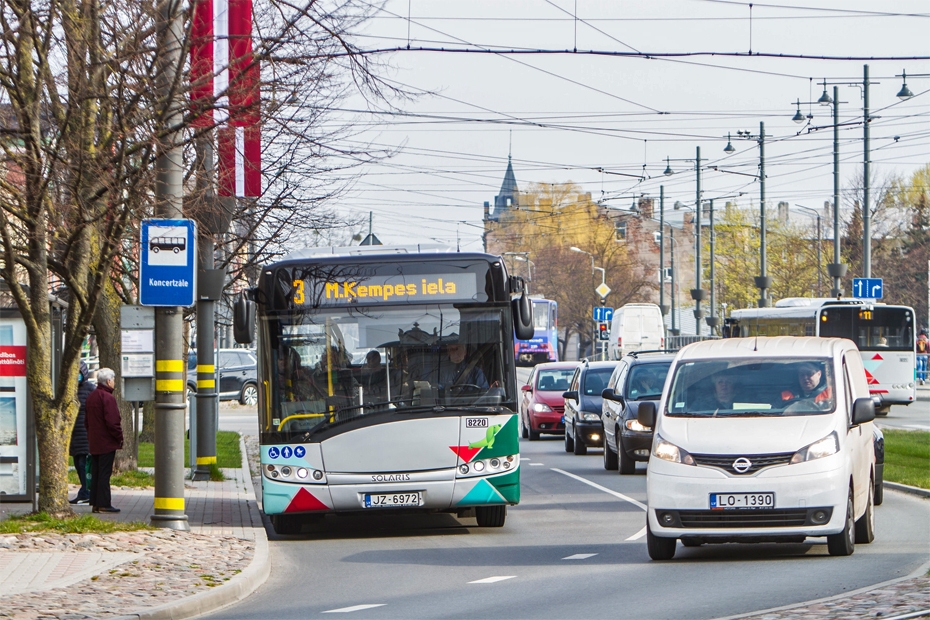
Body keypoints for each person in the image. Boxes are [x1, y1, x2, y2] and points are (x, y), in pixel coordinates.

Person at [84, 367, 123, 514]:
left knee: (97, 472)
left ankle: (94, 502)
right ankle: (104, 503)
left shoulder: (92, 396)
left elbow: (86, 421)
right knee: (105, 474)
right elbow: (113, 422)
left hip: (94, 441)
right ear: (108, 381)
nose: (114, 382)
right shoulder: (108, 398)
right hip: (106, 442)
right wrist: (119, 437)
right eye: (113, 380)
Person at [68, 361, 94, 505]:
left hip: (85, 432)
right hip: (74, 434)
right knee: (78, 463)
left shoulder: (90, 389)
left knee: (84, 463)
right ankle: (84, 490)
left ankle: (86, 491)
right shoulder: (68, 389)